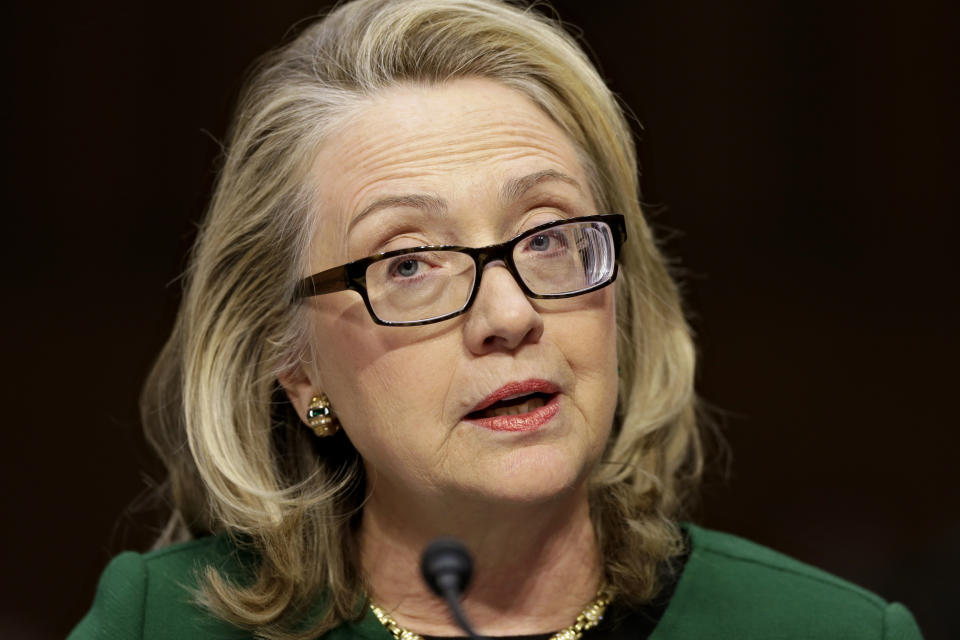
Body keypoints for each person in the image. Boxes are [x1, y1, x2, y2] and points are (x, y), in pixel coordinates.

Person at [68, 0, 924, 638]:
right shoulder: (161, 622)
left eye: (549, 237)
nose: (509, 315)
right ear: (297, 369)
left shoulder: (826, 630)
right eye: (407, 263)